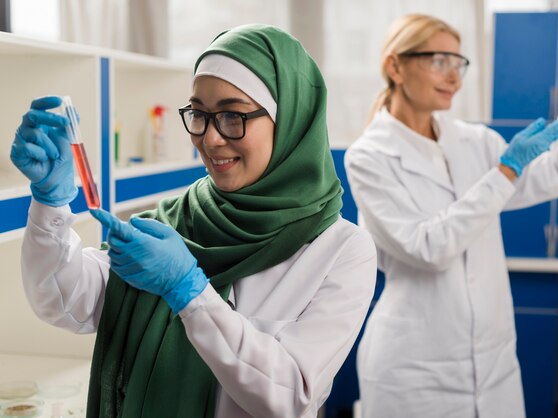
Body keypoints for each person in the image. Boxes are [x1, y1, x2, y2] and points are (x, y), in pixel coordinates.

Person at [11, 24, 377, 418]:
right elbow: (65, 303)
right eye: (199, 114)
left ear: (290, 121)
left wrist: (190, 293)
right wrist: (51, 203)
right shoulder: (174, 218)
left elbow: (290, 396)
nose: (210, 138)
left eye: (233, 116)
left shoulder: (342, 250)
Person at [344, 14, 558, 418]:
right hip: (414, 372)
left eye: (458, 62)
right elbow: (428, 247)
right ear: (395, 66)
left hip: (494, 366)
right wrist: (504, 172)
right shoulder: (369, 157)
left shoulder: (475, 140)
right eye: (438, 61)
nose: (454, 76)